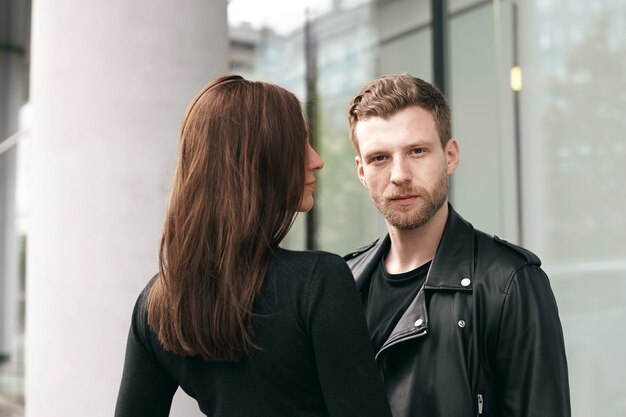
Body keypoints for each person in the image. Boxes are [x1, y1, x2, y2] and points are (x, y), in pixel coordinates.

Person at [115, 75, 392, 417]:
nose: (316, 160)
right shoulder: (318, 281)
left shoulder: (156, 303)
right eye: (301, 144)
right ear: (259, 158)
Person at [345, 73, 571, 417]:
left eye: (417, 151)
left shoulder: (510, 283)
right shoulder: (343, 282)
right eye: (380, 158)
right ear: (361, 171)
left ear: (450, 156)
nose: (399, 174)